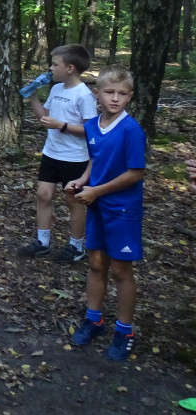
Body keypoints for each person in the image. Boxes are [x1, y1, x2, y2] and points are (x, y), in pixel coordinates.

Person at [65, 66, 145, 361]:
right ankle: (94, 319)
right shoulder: (91, 126)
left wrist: (97, 191)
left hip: (122, 209)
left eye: (122, 94)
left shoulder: (131, 130)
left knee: (122, 270)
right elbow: (95, 161)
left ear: (130, 96)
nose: (115, 99)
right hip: (96, 205)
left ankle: (125, 330)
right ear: (96, 94)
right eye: (109, 92)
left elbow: (135, 173)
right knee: (96, 263)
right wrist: (83, 181)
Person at [19, 44, 97, 264]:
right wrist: (33, 98)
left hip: (74, 157)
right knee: (43, 195)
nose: (51, 68)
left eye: (55, 64)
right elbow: (44, 117)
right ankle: (42, 242)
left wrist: (61, 125)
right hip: (51, 153)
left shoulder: (84, 96)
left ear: (70, 68)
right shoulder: (56, 89)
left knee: (73, 201)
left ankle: (76, 246)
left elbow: (90, 131)